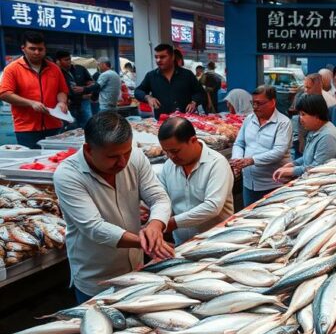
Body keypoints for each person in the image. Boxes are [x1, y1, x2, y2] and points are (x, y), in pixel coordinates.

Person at [53, 111, 174, 303]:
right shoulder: (68, 175)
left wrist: (155, 225)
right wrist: (145, 243)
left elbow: (159, 197)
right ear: (88, 150)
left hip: (137, 270)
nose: (122, 162)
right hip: (97, 278)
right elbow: (94, 228)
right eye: (112, 157)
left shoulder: (135, 157)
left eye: (126, 153)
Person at [156, 116, 234, 245]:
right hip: (182, 243)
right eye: (166, 152)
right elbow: (162, 197)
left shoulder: (216, 164)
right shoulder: (169, 165)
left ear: (193, 140)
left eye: (175, 151)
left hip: (217, 241)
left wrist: (174, 222)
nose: (171, 156)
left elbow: (212, 206)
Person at [0, 33, 69, 148]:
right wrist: (31, 103)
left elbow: (62, 90)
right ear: (23, 48)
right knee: (31, 162)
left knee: (56, 160)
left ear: (45, 49)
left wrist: (62, 102)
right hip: (27, 128)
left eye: (40, 49)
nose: (37, 52)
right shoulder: (12, 69)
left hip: (54, 125)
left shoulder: (54, 68)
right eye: (32, 48)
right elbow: (4, 93)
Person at [231, 86, 292, 207]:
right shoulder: (249, 119)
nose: (255, 107)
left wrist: (251, 160)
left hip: (273, 184)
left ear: (272, 102)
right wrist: (237, 160)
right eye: (253, 103)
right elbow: (239, 143)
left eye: (259, 103)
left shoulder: (283, 123)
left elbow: (279, 151)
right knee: (248, 217)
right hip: (249, 183)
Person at [274, 94, 336, 182]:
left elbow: (318, 168)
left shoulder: (327, 137)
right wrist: (293, 163)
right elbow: (308, 157)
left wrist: (292, 171)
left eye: (303, 114)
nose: (300, 119)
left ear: (317, 116)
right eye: (299, 114)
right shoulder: (314, 129)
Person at [134, 44, 205, 118]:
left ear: (172, 57)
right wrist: (148, 97)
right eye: (156, 57)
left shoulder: (187, 75)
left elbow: (200, 92)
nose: (158, 60)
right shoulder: (151, 76)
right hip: (162, 122)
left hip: (185, 121)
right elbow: (138, 91)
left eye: (162, 57)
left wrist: (194, 102)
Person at [55, 50, 94, 128]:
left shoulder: (80, 69)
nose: (69, 61)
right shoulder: (56, 72)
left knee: (88, 123)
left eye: (69, 59)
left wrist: (85, 89)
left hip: (84, 101)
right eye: (66, 60)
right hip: (69, 104)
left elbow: (91, 83)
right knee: (71, 126)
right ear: (58, 61)